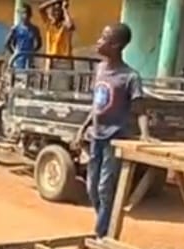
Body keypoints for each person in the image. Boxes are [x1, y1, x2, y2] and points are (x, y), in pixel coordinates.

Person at [74, 23, 154, 238]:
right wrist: (83, 127)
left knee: (105, 188)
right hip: (96, 136)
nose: (98, 41)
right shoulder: (100, 69)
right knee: (91, 187)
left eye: (104, 38)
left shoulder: (130, 77)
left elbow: (140, 109)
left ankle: (101, 234)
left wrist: (145, 134)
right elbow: (97, 104)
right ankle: (105, 226)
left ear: (116, 45)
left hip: (115, 138)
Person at [4, 4, 42, 70]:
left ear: (30, 15)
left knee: (29, 74)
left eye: (27, 13)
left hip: (29, 59)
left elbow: (39, 44)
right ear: (20, 15)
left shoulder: (34, 29)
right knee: (18, 74)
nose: (25, 15)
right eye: (23, 13)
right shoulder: (15, 29)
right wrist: (14, 53)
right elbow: (7, 43)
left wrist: (32, 52)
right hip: (18, 59)